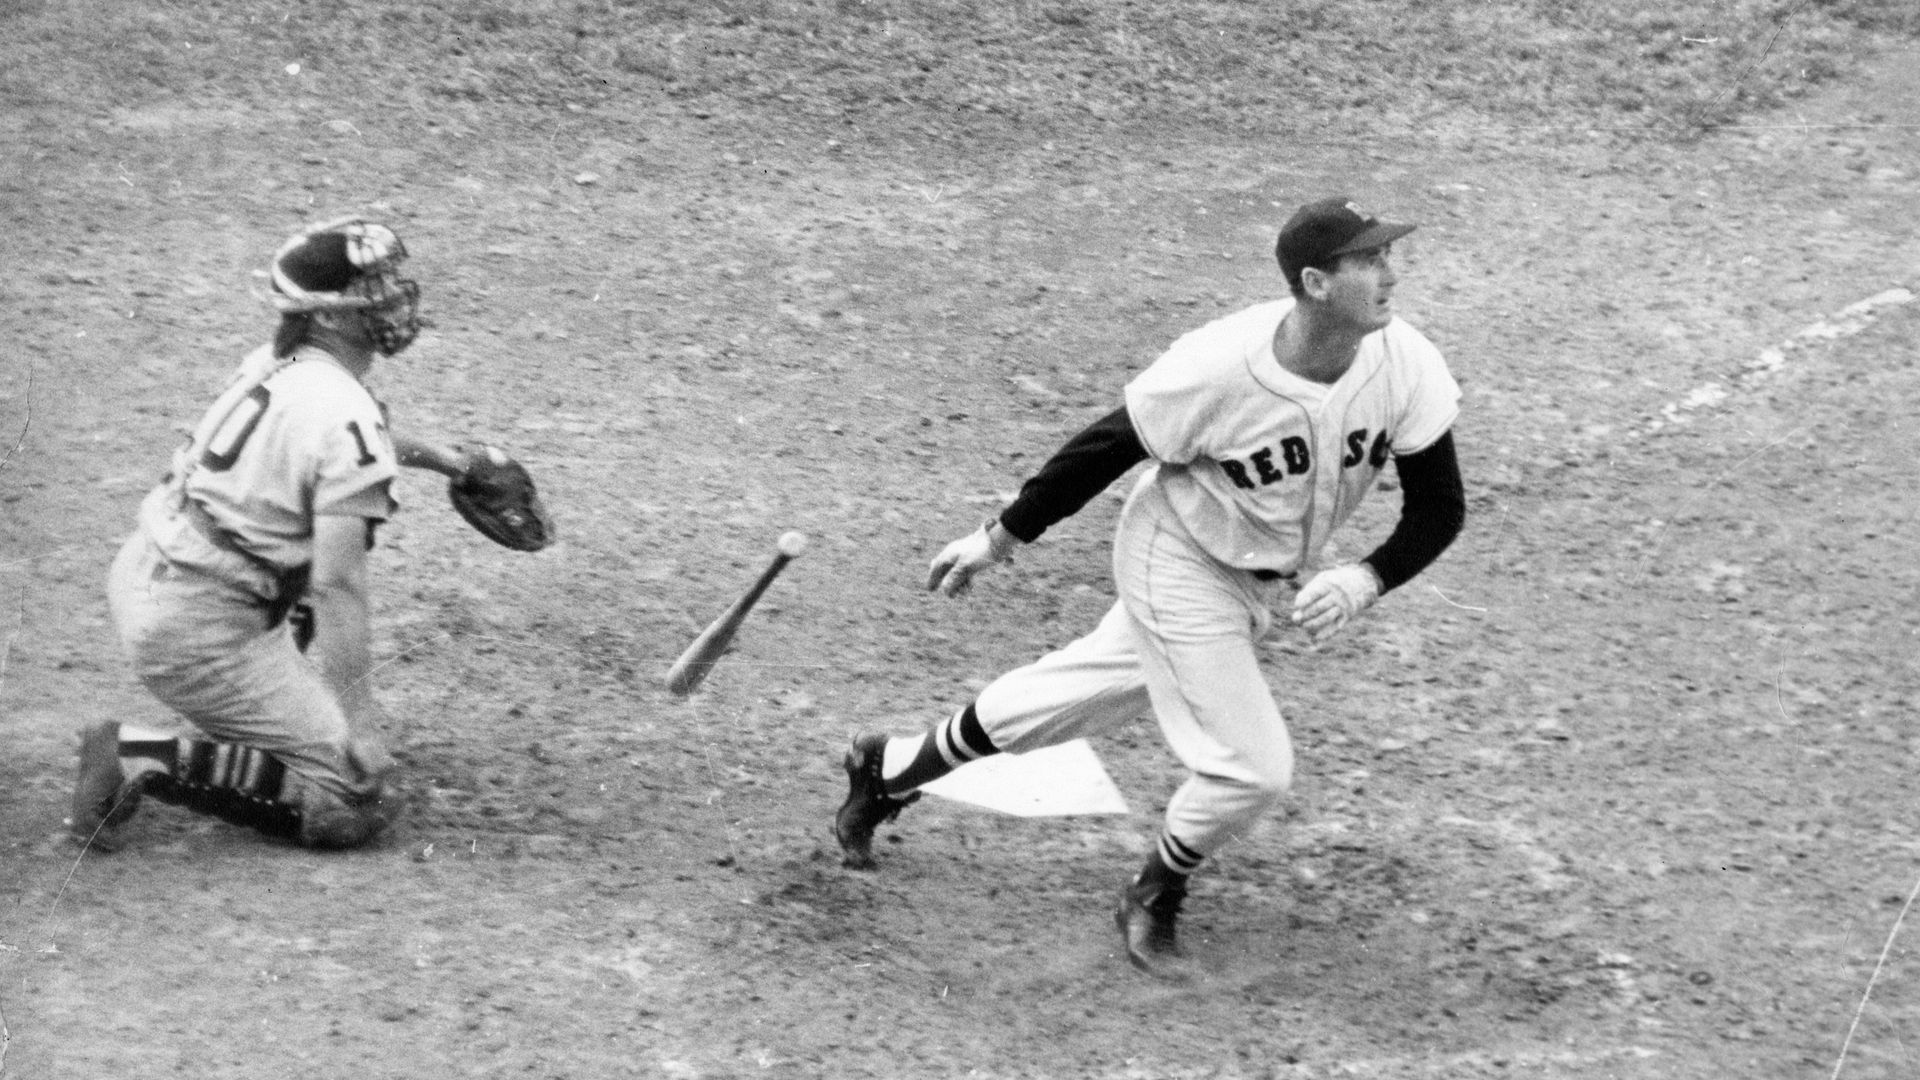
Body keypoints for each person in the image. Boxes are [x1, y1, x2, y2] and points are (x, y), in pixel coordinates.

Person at [832, 197, 1467, 978]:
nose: (1390, 273)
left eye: (1387, 256)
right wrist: (999, 538)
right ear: (1315, 283)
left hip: (1254, 575)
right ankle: (1155, 892)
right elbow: (1104, 448)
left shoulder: (1404, 363)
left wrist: (1369, 578)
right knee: (1253, 768)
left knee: (1081, 691)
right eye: (1369, 261)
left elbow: (1441, 507)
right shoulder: (1218, 366)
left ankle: (888, 769)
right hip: (1179, 558)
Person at [70, 217, 473, 851]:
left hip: (156, 574)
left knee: (288, 560)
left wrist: (452, 460)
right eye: (372, 288)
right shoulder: (345, 416)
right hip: (203, 628)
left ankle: (268, 713)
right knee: (350, 801)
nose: (394, 296)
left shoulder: (277, 362)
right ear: (328, 317)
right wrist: (361, 727)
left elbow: (343, 446)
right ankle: (138, 756)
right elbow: (338, 585)